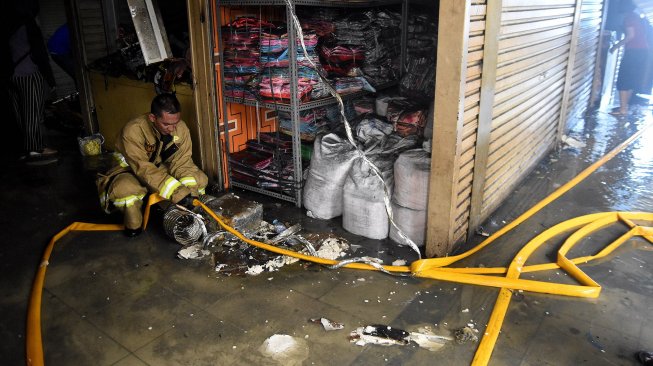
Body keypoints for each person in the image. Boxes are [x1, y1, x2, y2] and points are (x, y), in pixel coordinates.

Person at [97, 93, 208, 237]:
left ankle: (179, 212)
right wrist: (178, 193)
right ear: (152, 118)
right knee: (125, 190)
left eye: (175, 123)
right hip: (129, 171)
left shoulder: (181, 128)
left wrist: (191, 195)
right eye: (166, 124)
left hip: (156, 168)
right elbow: (143, 169)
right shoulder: (133, 131)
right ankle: (133, 226)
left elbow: (182, 163)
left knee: (199, 179)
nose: (172, 129)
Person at [7, 1, 58, 163]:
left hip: (9, 76)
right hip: (28, 73)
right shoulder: (29, 26)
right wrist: (50, 80)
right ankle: (35, 149)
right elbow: (40, 54)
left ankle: (26, 148)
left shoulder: (6, 26)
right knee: (32, 113)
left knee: (19, 114)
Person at [609, 0, 649, 116]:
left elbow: (631, 36)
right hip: (642, 52)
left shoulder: (629, 18)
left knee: (623, 79)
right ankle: (624, 107)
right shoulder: (637, 17)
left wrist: (615, 46)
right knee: (631, 79)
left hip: (634, 52)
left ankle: (622, 110)